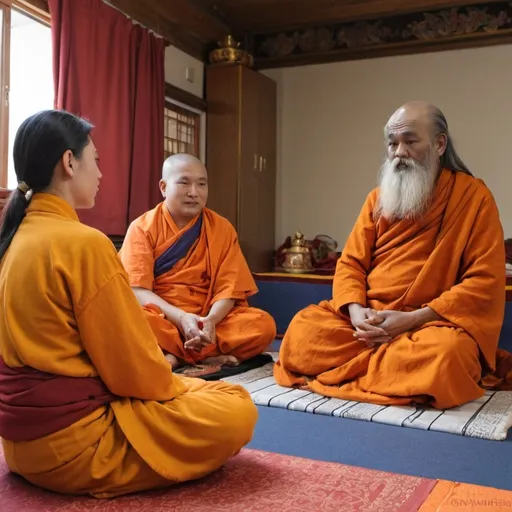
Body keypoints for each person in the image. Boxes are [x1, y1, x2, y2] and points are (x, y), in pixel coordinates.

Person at [0, 110, 258, 498]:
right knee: (237, 407)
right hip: (78, 445)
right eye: (96, 161)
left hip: (19, 444)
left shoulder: (13, 239)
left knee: (250, 331)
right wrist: (176, 384)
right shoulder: (84, 243)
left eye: (201, 184)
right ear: (70, 163)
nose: (101, 174)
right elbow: (131, 373)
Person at [274, 101, 512, 409]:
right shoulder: (377, 200)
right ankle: (395, 376)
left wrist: (412, 319)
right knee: (302, 332)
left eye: (410, 141)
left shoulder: (473, 198)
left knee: (448, 355)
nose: (399, 152)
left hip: (430, 326)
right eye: (392, 143)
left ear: (439, 144)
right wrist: (358, 313)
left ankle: (367, 372)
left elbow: (484, 280)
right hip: (366, 325)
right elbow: (350, 264)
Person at [119, 154, 276, 370]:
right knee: (130, 319)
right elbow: (137, 290)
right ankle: (200, 354)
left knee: (263, 325)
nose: (194, 192)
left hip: (210, 320)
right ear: (163, 187)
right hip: (164, 317)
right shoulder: (142, 228)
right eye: (184, 183)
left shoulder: (221, 228)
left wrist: (210, 321)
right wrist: (182, 318)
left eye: (202, 184)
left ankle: (175, 355)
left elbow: (229, 289)